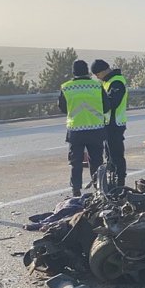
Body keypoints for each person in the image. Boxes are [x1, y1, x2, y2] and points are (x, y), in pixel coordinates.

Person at [58, 60, 108, 196]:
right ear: (87, 71)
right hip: (95, 129)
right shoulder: (97, 86)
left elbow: (63, 108)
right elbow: (106, 106)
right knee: (97, 160)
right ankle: (99, 188)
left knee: (76, 162)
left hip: (76, 130)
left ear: (73, 72)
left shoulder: (66, 87)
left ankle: (76, 190)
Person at [90, 59, 128, 188]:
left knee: (116, 155)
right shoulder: (108, 82)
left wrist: (97, 104)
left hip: (115, 124)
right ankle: (112, 183)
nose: (97, 77)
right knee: (110, 156)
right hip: (108, 124)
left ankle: (120, 183)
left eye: (97, 74)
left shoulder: (116, 82)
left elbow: (112, 102)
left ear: (104, 71)